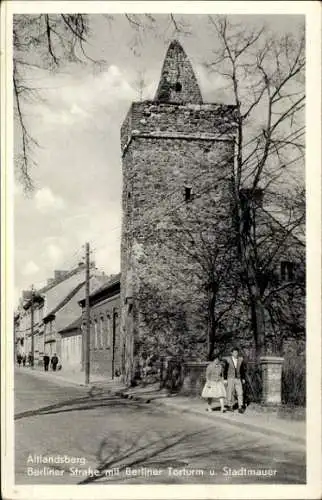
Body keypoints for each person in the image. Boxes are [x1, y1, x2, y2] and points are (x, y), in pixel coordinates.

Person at [224, 347, 246, 413]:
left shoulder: (240, 360)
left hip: (238, 378)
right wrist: (225, 379)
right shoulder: (228, 360)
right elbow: (225, 370)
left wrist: (243, 378)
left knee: (240, 392)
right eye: (234, 352)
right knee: (230, 392)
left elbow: (242, 370)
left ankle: (240, 407)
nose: (236, 353)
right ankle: (230, 406)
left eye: (237, 352)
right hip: (230, 378)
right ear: (232, 353)